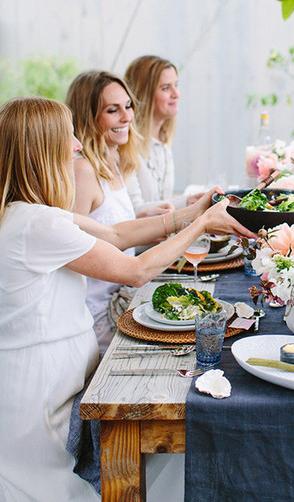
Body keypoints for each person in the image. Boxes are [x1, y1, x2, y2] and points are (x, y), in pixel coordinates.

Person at [0, 96, 254, 502]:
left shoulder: (26, 213)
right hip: (41, 392)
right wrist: (203, 225)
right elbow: (135, 270)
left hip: (50, 381)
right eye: (68, 136)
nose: (78, 145)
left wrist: (193, 213)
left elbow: (117, 234)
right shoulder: (38, 224)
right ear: (41, 150)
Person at [66, 70, 208, 351]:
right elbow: (75, 250)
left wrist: (140, 223)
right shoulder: (83, 170)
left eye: (128, 106)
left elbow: (106, 231)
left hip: (128, 297)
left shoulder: (114, 161)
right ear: (88, 117)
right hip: (100, 313)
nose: (127, 117)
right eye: (112, 110)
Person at [124, 55, 198, 213]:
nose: (176, 94)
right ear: (144, 95)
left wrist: (191, 201)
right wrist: (187, 201)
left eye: (176, 85)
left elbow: (164, 201)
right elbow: (134, 211)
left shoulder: (163, 142)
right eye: (166, 88)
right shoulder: (126, 146)